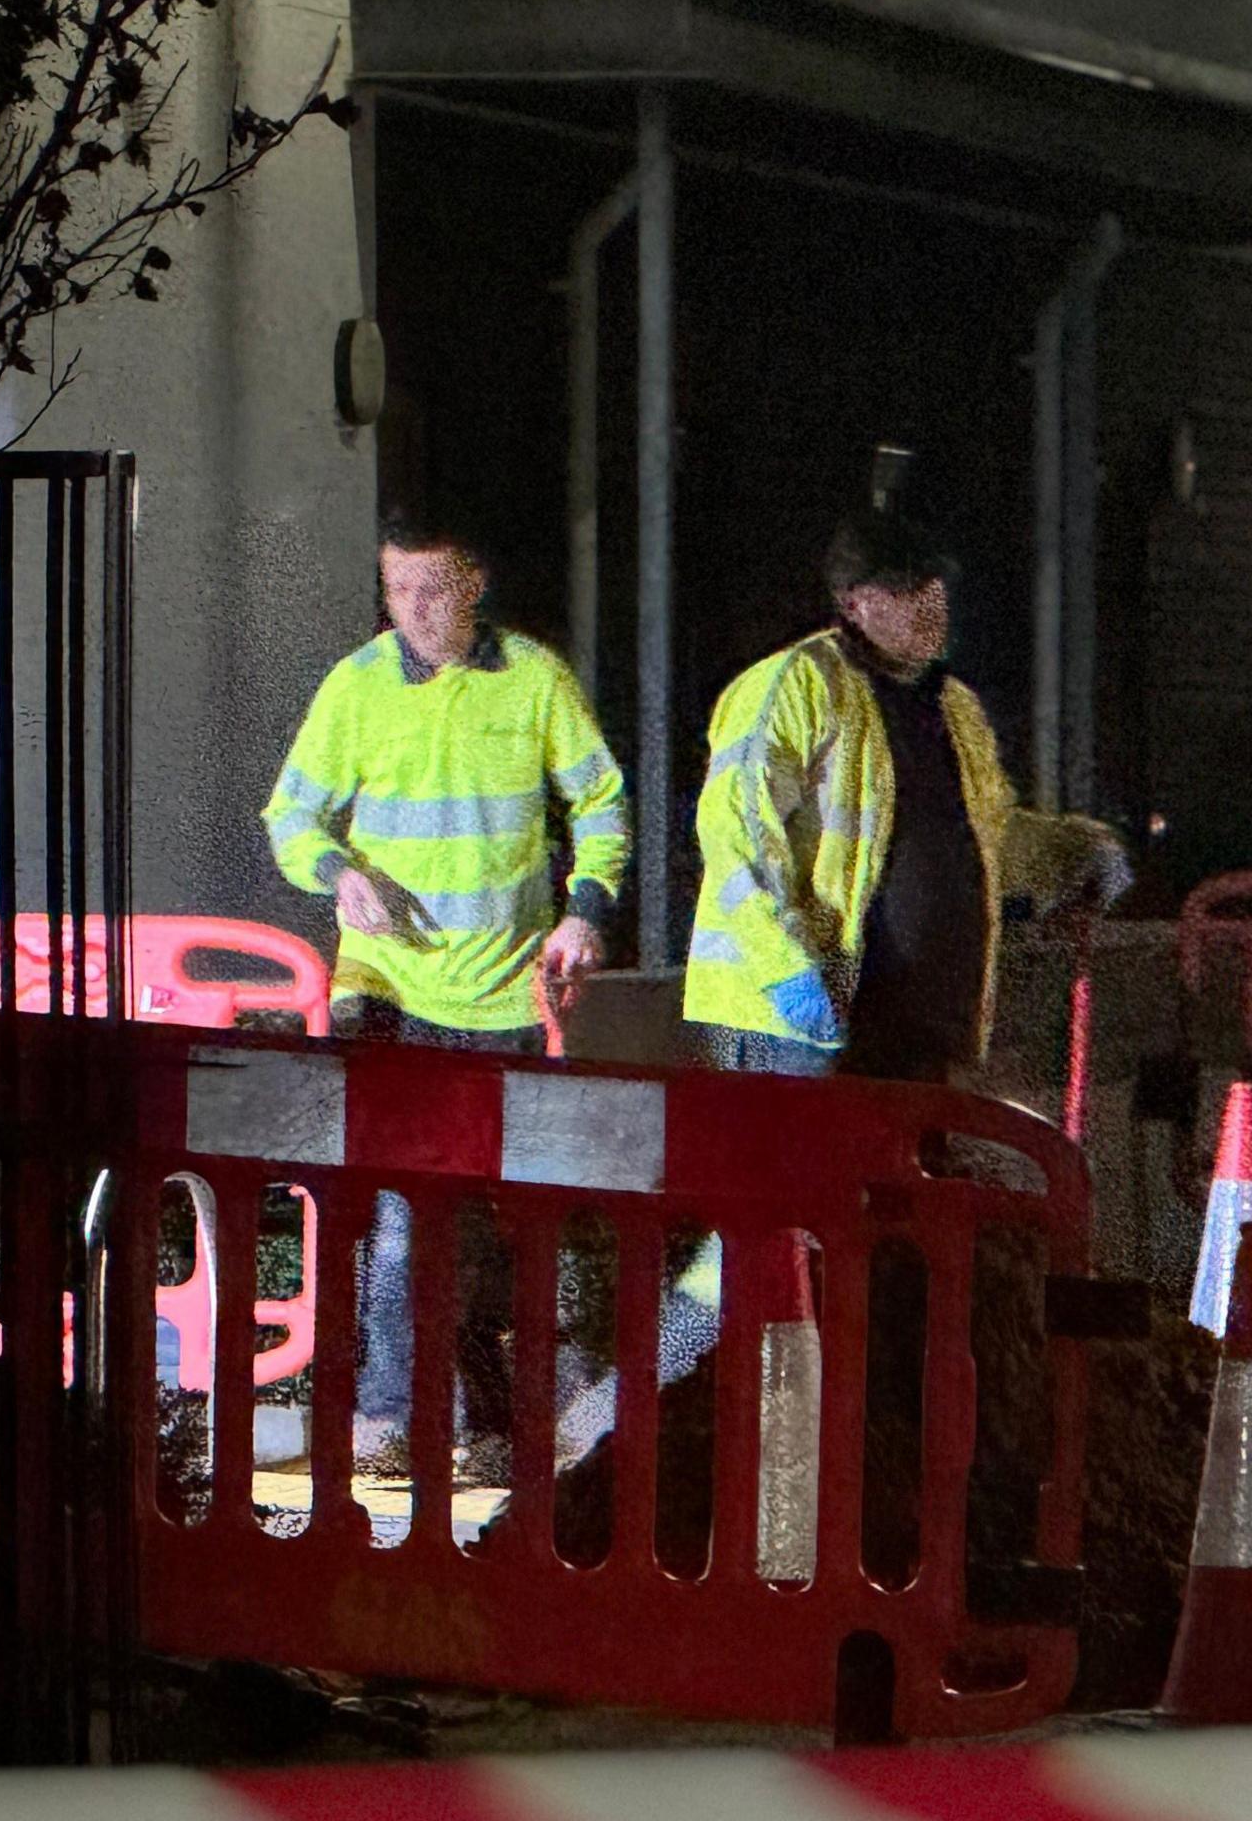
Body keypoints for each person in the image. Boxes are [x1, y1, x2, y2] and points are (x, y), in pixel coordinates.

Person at [265, 510, 631, 1464]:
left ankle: (484, 1414)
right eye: (396, 589)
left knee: (484, 1224)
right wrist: (335, 872)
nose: (414, 610)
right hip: (384, 986)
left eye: (433, 588)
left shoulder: (537, 682)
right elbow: (291, 815)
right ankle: (392, 1419)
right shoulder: (357, 686)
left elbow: (599, 801)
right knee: (397, 1215)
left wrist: (585, 910)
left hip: (505, 998)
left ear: (475, 583)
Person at [683, 509, 1121, 1083]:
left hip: (914, 1030)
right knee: (807, 1173)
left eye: (935, 586)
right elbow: (736, 833)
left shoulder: (954, 707)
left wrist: (1074, 856)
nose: (931, 603)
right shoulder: (797, 684)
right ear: (852, 603)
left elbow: (988, 841)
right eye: (907, 589)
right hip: (788, 1025)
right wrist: (785, 972)